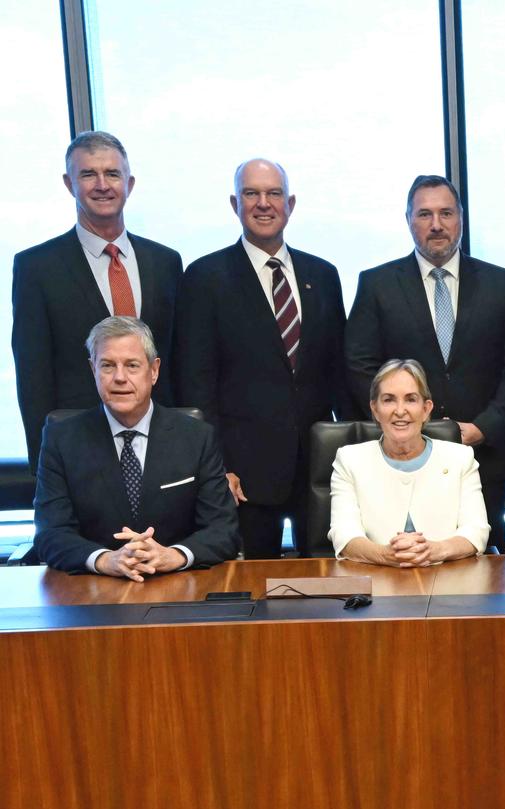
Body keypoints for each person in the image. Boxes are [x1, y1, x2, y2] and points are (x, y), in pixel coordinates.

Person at [344, 175, 505, 552]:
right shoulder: (377, 285)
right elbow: (359, 365)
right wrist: (408, 427)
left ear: (460, 219)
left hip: (484, 458)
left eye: (446, 213)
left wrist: (485, 427)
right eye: (425, 214)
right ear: (408, 220)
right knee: (402, 561)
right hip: (400, 460)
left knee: (484, 572)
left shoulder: (501, 283)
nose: (436, 224)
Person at [174, 158, 353, 559]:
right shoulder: (205, 278)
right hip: (242, 476)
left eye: (273, 193)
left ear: (290, 204)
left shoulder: (323, 274)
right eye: (251, 193)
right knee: (253, 595)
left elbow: (340, 373)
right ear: (234, 204)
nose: (263, 203)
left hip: (319, 470)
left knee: (329, 588)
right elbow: (195, 384)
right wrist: (215, 467)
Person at [14, 131, 182, 468]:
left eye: (112, 174)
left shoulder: (166, 262)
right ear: (69, 183)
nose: (102, 185)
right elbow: (33, 374)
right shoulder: (37, 266)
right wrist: (45, 464)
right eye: (88, 174)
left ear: (129, 184)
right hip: (79, 454)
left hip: (161, 450)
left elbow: (179, 361)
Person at [32, 317, 237, 577]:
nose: (119, 377)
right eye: (107, 365)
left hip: (180, 585)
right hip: (94, 592)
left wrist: (172, 555)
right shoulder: (60, 439)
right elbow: (51, 534)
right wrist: (106, 560)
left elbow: (223, 530)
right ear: (92, 369)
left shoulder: (197, 436)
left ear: (154, 371)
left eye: (132, 365)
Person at [329, 360, 486, 566]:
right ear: (375, 409)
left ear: (426, 409)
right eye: (389, 400)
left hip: (448, 582)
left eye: (411, 399)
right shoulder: (349, 460)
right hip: (376, 582)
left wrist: (433, 550)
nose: (400, 410)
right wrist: (386, 555)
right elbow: (344, 535)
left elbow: (476, 531)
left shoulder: (460, 458)